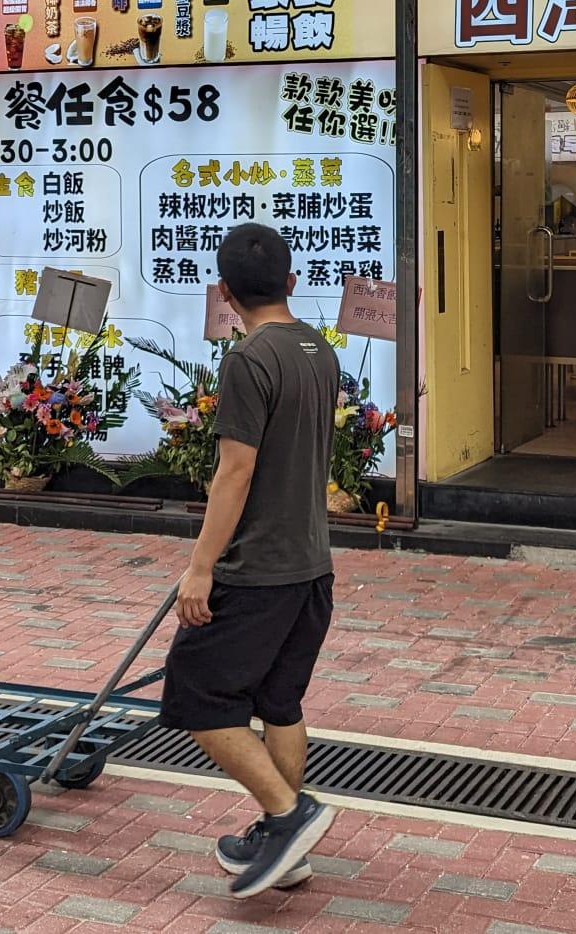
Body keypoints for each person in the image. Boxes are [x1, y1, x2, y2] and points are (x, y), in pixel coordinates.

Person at [159, 223, 341, 899]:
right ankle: (283, 845)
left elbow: (234, 473)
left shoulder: (249, 359)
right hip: (311, 565)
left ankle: (292, 815)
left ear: (225, 292)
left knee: (198, 694)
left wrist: (200, 567)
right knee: (279, 702)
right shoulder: (317, 348)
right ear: (291, 282)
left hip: (256, 568)